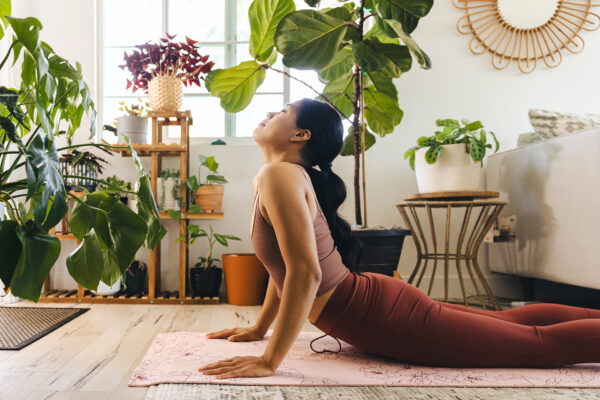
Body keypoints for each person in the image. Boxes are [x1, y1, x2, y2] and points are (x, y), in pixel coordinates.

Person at [198, 99, 600, 379]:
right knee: (512, 323)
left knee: (538, 346)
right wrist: (259, 329)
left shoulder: (279, 176)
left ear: (301, 134)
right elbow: (283, 270)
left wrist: (270, 361)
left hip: (380, 317)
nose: (270, 113)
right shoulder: (274, 176)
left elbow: (305, 274)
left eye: (282, 111)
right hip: (375, 303)